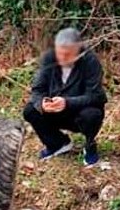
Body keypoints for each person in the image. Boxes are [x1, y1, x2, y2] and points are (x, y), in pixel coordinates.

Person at [22, 28, 106, 167]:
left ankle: (90, 145)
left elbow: (96, 96)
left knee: (92, 114)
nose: (62, 58)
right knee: (30, 110)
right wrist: (42, 104)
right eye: (60, 53)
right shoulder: (48, 58)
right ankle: (58, 143)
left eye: (68, 54)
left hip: (80, 111)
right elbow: (37, 90)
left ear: (78, 51)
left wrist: (68, 102)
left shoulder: (90, 61)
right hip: (55, 110)